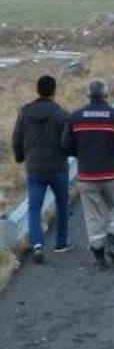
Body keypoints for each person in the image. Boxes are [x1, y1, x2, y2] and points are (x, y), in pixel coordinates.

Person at [61, 79, 114, 270]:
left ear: (88, 95)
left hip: (87, 175)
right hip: (112, 173)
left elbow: (66, 146)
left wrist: (82, 154)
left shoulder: (75, 118)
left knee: (93, 215)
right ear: (106, 95)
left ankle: (99, 255)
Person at [12, 75, 70, 262]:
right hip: (57, 167)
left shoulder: (25, 113)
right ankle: (61, 242)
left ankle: (37, 244)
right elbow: (68, 140)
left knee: (34, 208)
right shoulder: (61, 114)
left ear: (37, 90)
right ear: (54, 91)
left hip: (35, 168)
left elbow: (17, 139)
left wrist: (21, 157)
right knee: (62, 203)